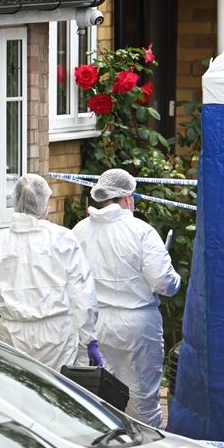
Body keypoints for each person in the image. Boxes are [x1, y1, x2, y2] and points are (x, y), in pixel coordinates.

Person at [72, 168, 181, 427]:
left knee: (99, 399)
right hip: (137, 327)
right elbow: (164, 283)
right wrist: (174, 276)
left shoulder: (79, 231)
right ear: (128, 198)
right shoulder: (141, 231)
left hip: (93, 324)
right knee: (142, 400)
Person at [0, 173, 100, 371]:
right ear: (44, 203)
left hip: (13, 336)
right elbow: (83, 295)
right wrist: (88, 341)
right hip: (57, 336)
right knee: (58, 396)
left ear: (15, 202)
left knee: (17, 395)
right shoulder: (63, 239)